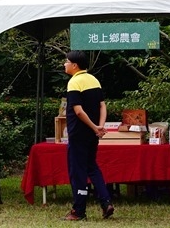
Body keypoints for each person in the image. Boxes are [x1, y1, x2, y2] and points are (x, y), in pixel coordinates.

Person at [62, 50, 114, 220]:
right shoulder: (94, 80)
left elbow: (78, 111)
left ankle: (79, 211)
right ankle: (106, 202)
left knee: (78, 171)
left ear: (75, 65)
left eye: (66, 61)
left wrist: (94, 127)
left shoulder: (74, 82)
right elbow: (102, 106)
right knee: (92, 167)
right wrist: (100, 126)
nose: (65, 64)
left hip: (78, 134)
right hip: (92, 135)